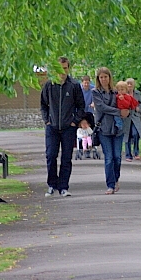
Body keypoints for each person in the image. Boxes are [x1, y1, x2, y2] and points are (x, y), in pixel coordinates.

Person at [40, 57, 86, 197]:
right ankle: (52, 185)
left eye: (65, 68)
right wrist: (47, 120)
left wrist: (75, 121)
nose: (63, 71)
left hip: (68, 127)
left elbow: (81, 106)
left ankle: (63, 186)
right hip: (52, 127)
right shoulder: (49, 85)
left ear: (68, 68)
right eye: (60, 68)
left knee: (66, 158)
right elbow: (43, 105)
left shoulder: (74, 85)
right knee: (51, 155)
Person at [93, 67, 129, 194]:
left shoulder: (116, 92)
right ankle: (110, 185)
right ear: (98, 79)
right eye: (101, 77)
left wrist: (127, 110)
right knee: (108, 158)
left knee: (117, 157)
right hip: (104, 129)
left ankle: (116, 179)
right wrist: (119, 112)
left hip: (117, 128)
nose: (103, 79)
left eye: (105, 77)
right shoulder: (96, 92)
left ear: (109, 78)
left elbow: (125, 103)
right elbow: (102, 108)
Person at [123, 78, 141, 161]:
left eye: (131, 84)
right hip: (126, 117)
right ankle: (128, 155)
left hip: (135, 117)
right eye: (128, 83)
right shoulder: (123, 93)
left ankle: (136, 152)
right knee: (127, 136)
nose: (129, 85)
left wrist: (139, 109)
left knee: (135, 134)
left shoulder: (137, 93)